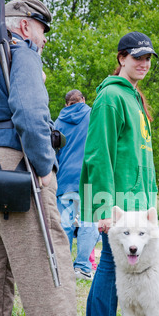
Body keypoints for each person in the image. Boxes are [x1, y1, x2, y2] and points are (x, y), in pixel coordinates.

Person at [0, 0, 119, 316]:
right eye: (41, 30)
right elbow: (30, 112)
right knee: (49, 269)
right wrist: (46, 165)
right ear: (23, 26)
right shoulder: (21, 51)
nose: (44, 40)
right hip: (9, 167)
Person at [79, 31, 158, 316]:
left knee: (112, 268)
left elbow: (143, 158)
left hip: (138, 205)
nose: (143, 63)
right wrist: (102, 205)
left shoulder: (134, 98)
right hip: (117, 205)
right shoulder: (111, 96)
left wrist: (152, 202)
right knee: (111, 268)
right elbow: (98, 154)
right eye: (137, 56)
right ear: (121, 58)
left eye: (148, 58)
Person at [55, 89, 100, 281]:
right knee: (89, 223)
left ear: (66, 104)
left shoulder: (57, 122)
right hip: (88, 178)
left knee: (64, 224)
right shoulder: (93, 115)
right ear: (83, 99)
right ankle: (82, 267)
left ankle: (63, 266)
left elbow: (54, 153)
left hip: (64, 180)